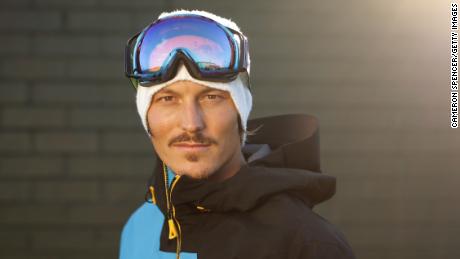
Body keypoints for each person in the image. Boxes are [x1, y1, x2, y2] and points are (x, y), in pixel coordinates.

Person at [119, 9, 356, 259]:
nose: (191, 124)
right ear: (147, 116)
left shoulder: (308, 244)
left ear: (240, 112)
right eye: (168, 99)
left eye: (211, 97)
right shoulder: (141, 227)